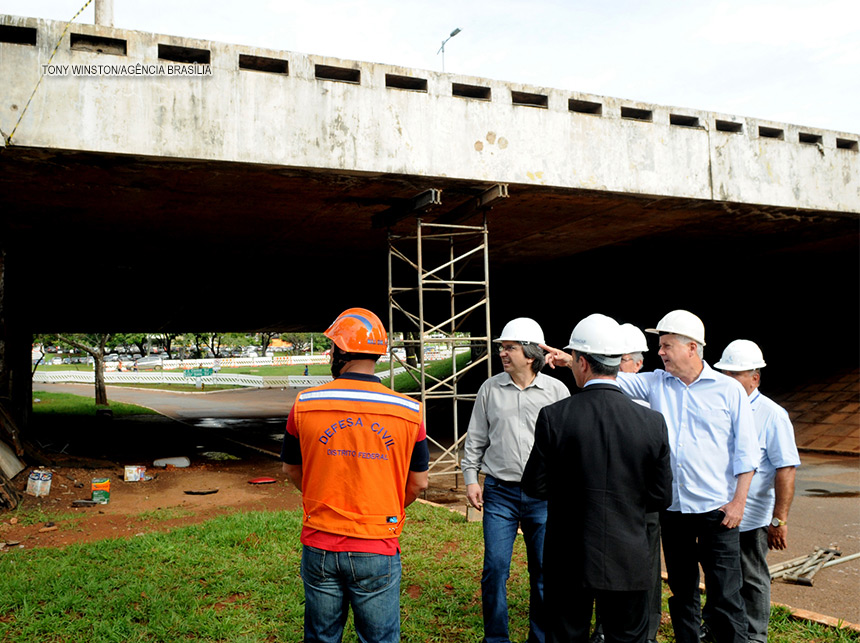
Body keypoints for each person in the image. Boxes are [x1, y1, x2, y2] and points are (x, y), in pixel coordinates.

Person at [543, 310, 759, 643]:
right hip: (674, 513)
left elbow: (747, 453)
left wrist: (738, 503)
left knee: (726, 595)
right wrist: (570, 357)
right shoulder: (656, 382)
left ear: (691, 348)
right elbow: (606, 376)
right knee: (683, 593)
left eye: (666, 345)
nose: (659, 353)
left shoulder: (728, 391)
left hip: (718, 513)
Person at [280, 307, 430, 643]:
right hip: (377, 544)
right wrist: (387, 502)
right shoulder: (409, 411)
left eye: (333, 347)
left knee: (321, 637)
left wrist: (321, 492)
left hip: (320, 541)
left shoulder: (304, 405)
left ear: (341, 352)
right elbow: (418, 483)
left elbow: (291, 468)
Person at [522, 314, 672, 643]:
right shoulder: (652, 422)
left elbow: (535, 486)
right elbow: (662, 497)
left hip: (568, 559)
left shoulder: (555, 417)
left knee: (565, 636)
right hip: (628, 558)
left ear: (583, 363)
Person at [461, 317, 570, 643]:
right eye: (502, 348)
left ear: (531, 353)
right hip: (500, 494)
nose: (503, 353)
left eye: (510, 347)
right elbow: (476, 438)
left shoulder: (557, 391)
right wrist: (471, 478)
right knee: (495, 570)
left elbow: (568, 443)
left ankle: (541, 637)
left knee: (543, 572)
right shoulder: (490, 389)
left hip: (544, 496)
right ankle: (496, 638)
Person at [713, 340, 800, 643]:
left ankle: (755, 635)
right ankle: (719, 627)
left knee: (751, 576)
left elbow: (786, 469)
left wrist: (779, 520)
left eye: (735, 375)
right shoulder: (719, 406)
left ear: (755, 378)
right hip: (718, 511)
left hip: (752, 518)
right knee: (721, 576)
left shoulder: (772, 415)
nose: (728, 380)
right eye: (725, 373)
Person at [588, 321, 663, 643]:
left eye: (623, 362)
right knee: (604, 564)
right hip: (607, 497)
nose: (618, 369)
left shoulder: (651, 399)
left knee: (645, 568)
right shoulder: (607, 394)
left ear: (638, 362)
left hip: (641, 500)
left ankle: (646, 629)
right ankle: (604, 626)